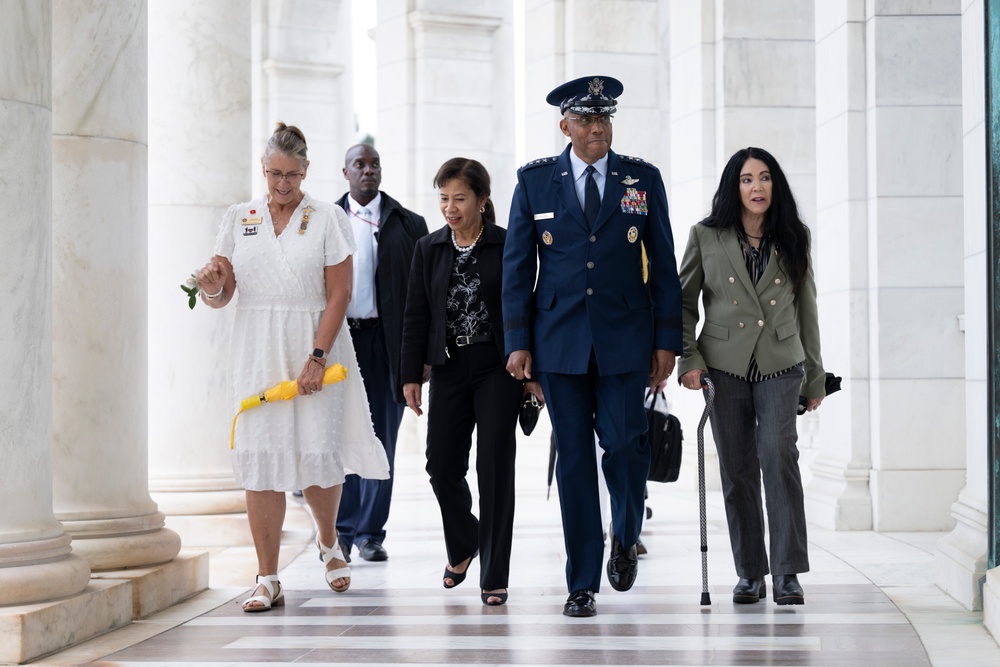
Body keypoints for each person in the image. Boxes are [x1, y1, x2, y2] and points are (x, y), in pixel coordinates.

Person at [502, 76, 683, 617]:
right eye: (585, 119)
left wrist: (667, 341)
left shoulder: (640, 179)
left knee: (626, 445)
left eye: (604, 118)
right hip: (559, 344)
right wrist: (519, 344)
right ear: (566, 126)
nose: (597, 127)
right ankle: (582, 580)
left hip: (627, 340)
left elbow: (665, 266)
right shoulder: (535, 184)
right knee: (575, 459)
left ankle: (625, 534)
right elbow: (517, 268)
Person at [195, 122, 389, 612]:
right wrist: (210, 285)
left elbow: (340, 292)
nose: (283, 184)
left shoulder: (326, 217)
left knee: (318, 451)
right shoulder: (239, 218)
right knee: (260, 461)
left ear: (306, 171)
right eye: (275, 174)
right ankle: (267, 577)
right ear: (263, 170)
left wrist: (317, 357)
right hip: (257, 347)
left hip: (316, 342)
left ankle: (329, 542)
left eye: (293, 175)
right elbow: (222, 296)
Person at [677, 146, 825, 606]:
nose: (756, 187)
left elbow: (807, 309)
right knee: (737, 469)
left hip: (782, 362)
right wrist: (689, 359)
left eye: (764, 178)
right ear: (733, 187)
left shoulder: (792, 236)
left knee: (778, 455)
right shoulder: (706, 235)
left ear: (774, 184)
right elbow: (682, 304)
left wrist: (815, 377)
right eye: (746, 179)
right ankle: (749, 572)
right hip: (723, 365)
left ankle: (786, 572)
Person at [401, 157, 544, 607]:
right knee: (441, 466)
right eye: (443, 198)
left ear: (482, 200)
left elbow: (530, 306)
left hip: (498, 366)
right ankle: (465, 542)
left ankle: (494, 574)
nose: (450, 207)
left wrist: (531, 376)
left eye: (459, 198)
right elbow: (415, 315)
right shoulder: (429, 248)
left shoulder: (508, 244)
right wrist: (410, 375)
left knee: (495, 468)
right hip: (447, 366)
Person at [334, 143, 428, 563]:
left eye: (374, 165)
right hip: (338, 343)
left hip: (387, 345)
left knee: (381, 438)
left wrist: (422, 356)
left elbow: (427, 293)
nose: (368, 171)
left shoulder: (409, 224)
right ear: (346, 172)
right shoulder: (323, 220)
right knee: (339, 437)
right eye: (360, 164)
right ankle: (341, 529)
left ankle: (371, 532)